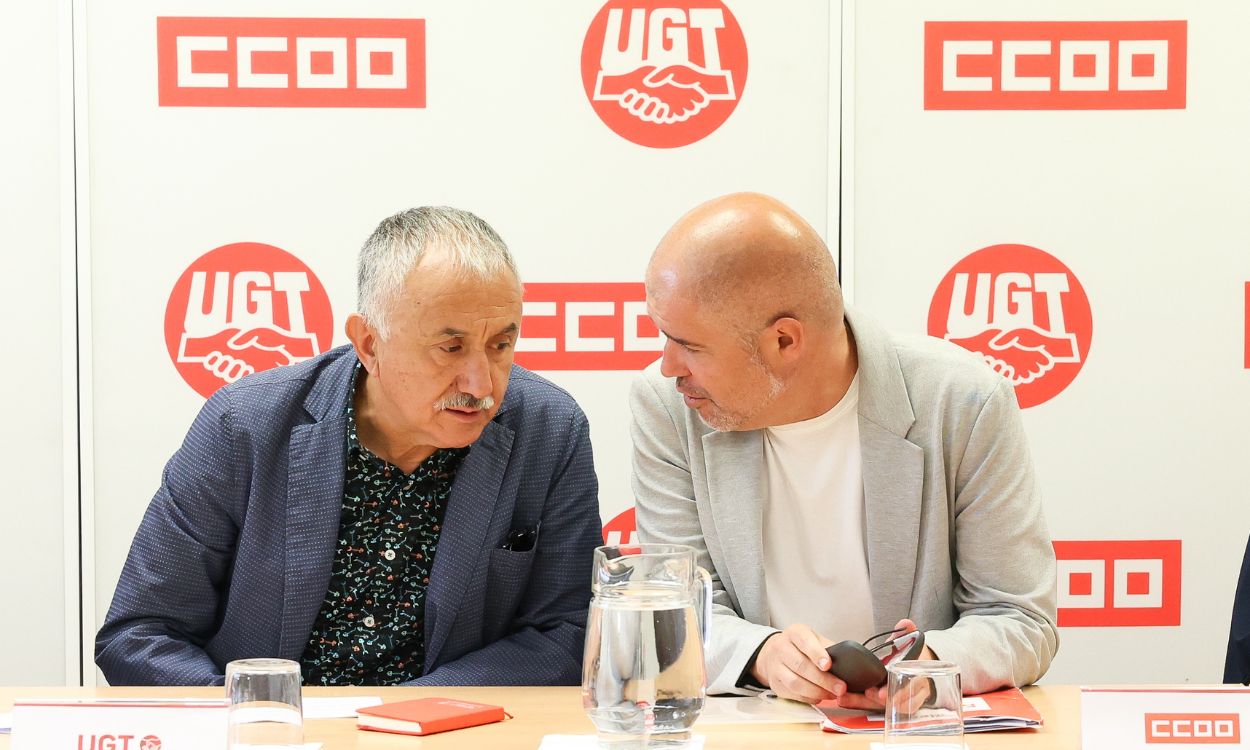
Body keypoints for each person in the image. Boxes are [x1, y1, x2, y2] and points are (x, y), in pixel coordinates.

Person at [97, 206, 602, 686]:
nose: (480, 382)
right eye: (450, 347)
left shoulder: (550, 432)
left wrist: (416, 712)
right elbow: (139, 635)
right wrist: (256, 717)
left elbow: (569, 632)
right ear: (369, 343)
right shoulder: (244, 426)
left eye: (500, 346)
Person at [630, 193, 1057, 707]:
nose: (667, 366)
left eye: (690, 346)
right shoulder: (666, 407)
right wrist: (763, 656)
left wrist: (926, 670)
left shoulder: (963, 401)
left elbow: (1020, 620)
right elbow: (674, 613)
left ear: (785, 341)